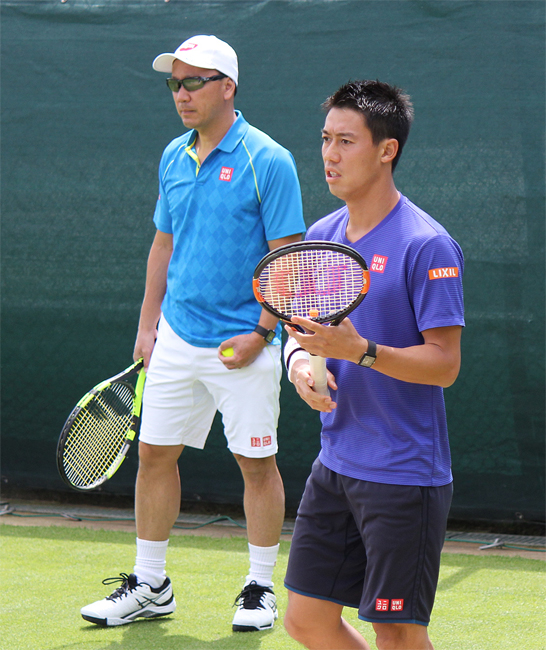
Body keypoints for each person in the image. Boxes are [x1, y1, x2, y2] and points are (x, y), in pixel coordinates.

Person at [80, 34, 305, 631]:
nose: (180, 94)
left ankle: (259, 588)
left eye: (193, 82)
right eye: (174, 83)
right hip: (177, 335)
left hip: (244, 341)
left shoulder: (269, 160)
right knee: (153, 456)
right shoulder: (172, 156)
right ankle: (151, 586)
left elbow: (286, 256)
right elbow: (164, 242)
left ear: (227, 87)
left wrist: (263, 332)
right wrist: (148, 322)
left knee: (256, 465)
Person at [282, 80, 464, 650]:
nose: (329, 155)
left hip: (404, 476)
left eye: (346, 141)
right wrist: (300, 366)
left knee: (398, 633)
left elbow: (444, 364)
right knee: (305, 621)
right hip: (335, 464)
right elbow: (308, 339)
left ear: (386, 150)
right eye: (325, 139)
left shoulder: (427, 245)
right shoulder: (321, 237)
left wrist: (361, 351)